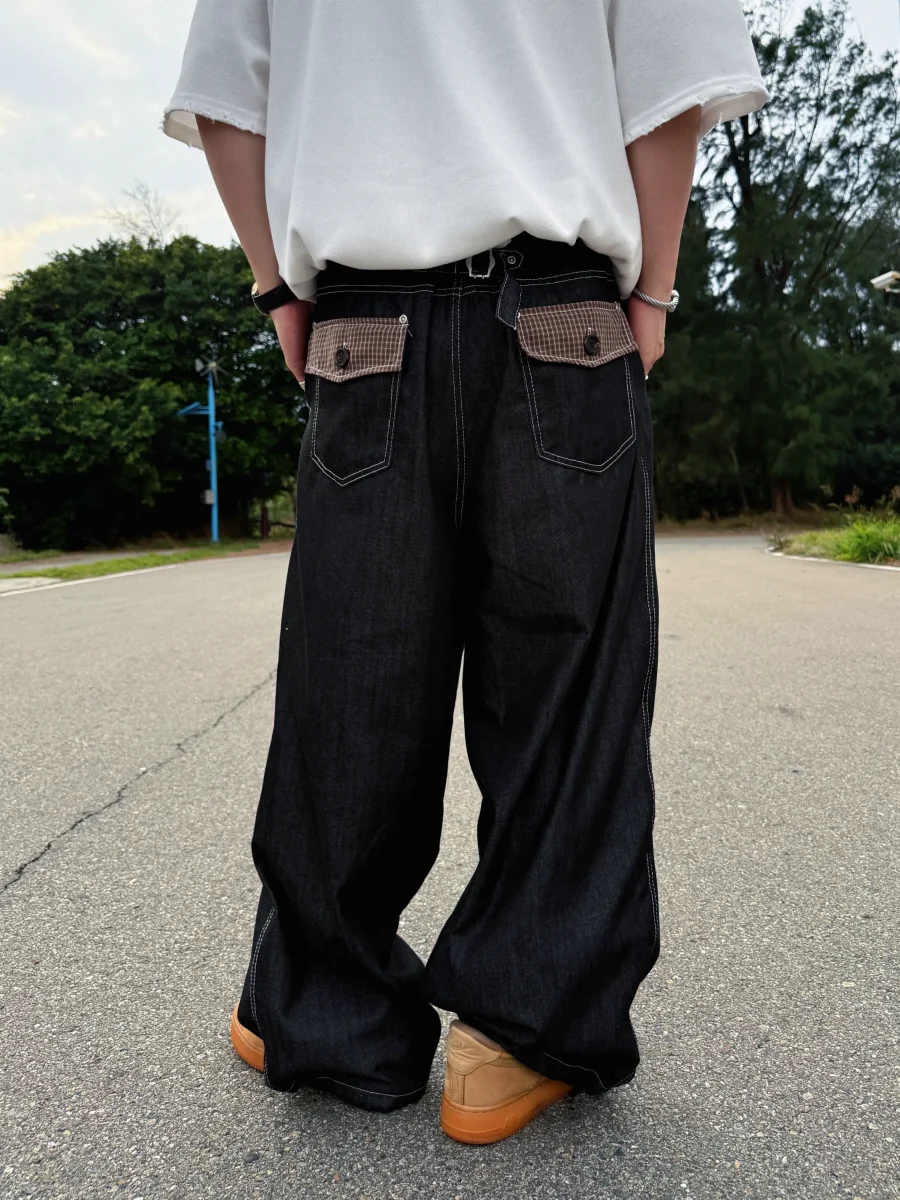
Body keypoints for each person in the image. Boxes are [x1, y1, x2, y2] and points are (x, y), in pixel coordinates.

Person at [162, 0, 767, 1144]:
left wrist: (277, 290)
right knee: (566, 695)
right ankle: (520, 1033)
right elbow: (670, 83)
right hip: (565, 316)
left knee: (350, 683)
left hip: (364, 323)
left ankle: (323, 1007)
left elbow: (229, 105)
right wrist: (653, 292)